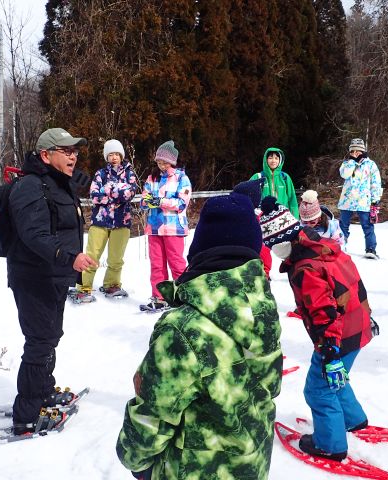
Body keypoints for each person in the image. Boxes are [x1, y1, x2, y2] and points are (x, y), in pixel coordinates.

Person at [117, 193, 282, 480]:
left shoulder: (183, 328)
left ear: (199, 249)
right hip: (251, 465)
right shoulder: (261, 308)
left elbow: (152, 417)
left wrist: (136, 462)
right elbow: (269, 386)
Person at [259, 196, 376, 461]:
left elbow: (323, 313)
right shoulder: (325, 247)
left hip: (337, 335)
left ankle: (330, 445)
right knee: (335, 378)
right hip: (357, 325)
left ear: (287, 240)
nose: (274, 252)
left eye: (274, 246)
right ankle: (353, 419)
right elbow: (354, 282)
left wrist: (330, 351)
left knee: (318, 388)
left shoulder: (306, 268)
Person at [7, 128, 98, 434]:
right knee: (39, 343)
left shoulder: (59, 184)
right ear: (46, 155)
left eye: (76, 150)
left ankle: (44, 390)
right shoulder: (29, 187)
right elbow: (34, 235)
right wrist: (67, 256)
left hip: (54, 276)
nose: (73, 155)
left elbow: (81, 188)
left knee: (49, 338)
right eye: (66, 150)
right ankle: (28, 414)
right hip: (33, 278)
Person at [73, 139, 137, 303]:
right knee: (92, 256)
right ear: (106, 157)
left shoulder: (129, 173)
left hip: (122, 221)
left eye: (116, 154)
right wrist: (117, 192)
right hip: (100, 221)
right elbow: (94, 196)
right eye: (110, 154)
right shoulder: (100, 174)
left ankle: (112, 284)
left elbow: (129, 194)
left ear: (121, 155)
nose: (114, 157)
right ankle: (83, 287)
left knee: (116, 258)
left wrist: (107, 190)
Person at [139, 140, 191, 312]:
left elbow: (181, 203)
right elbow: (143, 200)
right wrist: (147, 202)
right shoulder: (151, 178)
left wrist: (160, 201)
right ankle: (159, 297)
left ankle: (184, 295)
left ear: (172, 162)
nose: (161, 165)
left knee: (176, 263)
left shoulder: (182, 178)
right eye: (159, 161)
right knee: (157, 264)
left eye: (164, 162)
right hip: (154, 228)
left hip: (173, 228)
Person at [337, 138, 383, 258]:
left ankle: (371, 249)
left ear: (363, 151)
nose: (355, 153)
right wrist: (352, 162)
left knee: (367, 225)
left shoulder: (370, 164)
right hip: (347, 200)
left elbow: (376, 183)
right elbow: (344, 174)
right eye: (353, 151)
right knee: (343, 225)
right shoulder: (347, 163)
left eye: (358, 151)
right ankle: (340, 245)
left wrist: (375, 199)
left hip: (364, 201)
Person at [232, 177, 272, 278]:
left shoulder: (258, 222)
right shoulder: (234, 218)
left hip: (255, 273)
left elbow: (264, 251)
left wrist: (264, 272)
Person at [250, 147, 299, 218]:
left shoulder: (285, 177)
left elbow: (292, 200)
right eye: (270, 158)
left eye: (276, 158)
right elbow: (247, 198)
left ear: (280, 161)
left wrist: (295, 218)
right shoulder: (258, 177)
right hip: (263, 219)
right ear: (266, 160)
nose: (273, 161)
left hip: (283, 218)